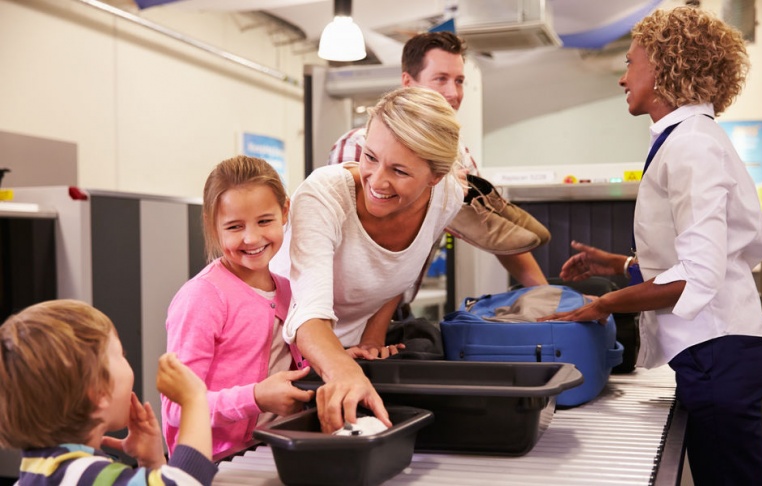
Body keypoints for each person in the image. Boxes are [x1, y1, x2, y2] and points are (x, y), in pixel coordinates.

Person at [540, 7, 762, 485]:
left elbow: (698, 276)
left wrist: (603, 303)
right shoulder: (687, 139)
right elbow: (707, 257)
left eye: (630, 63)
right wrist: (623, 264)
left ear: (667, 65)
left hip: (717, 348)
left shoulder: (692, 145)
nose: (623, 79)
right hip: (719, 347)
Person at [271, 86, 464, 433]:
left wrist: (372, 338)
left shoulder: (447, 196)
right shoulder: (324, 196)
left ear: (435, 176)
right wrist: (344, 371)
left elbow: (398, 268)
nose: (377, 180)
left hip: (346, 357)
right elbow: (309, 317)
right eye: (370, 156)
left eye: (400, 171)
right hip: (278, 356)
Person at [329, 31, 550, 287]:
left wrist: (548, 296)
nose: (453, 93)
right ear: (408, 83)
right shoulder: (359, 144)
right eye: (440, 79)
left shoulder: (458, 154)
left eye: (459, 81)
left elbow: (499, 236)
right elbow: (352, 234)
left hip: (397, 297)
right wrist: (438, 195)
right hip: (345, 296)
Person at [162, 155, 314, 457]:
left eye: (265, 221)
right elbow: (177, 408)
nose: (252, 237)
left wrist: (339, 357)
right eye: (234, 226)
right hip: (214, 463)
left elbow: (287, 363)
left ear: (284, 212)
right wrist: (256, 397)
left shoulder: (286, 288)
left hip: (273, 450)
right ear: (211, 224)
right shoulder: (202, 297)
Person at [0, 299, 217, 486]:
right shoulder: (81, 474)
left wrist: (152, 464)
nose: (126, 359)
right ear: (99, 393)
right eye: (120, 354)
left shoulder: (43, 470)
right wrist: (194, 400)